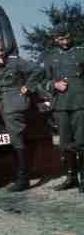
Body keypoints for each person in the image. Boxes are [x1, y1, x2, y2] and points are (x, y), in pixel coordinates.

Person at [0, 38, 44, 192]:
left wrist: (28, 87)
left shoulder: (15, 61)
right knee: (16, 141)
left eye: (1, 50)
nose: (0, 53)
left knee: (17, 140)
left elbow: (38, 70)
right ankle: (20, 177)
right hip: (3, 104)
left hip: (15, 103)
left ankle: (23, 180)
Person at [42, 27, 84, 192]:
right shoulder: (49, 56)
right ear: (55, 39)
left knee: (81, 142)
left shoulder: (81, 52)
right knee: (65, 144)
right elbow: (42, 81)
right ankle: (71, 177)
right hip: (60, 105)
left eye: (67, 38)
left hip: (80, 103)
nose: (65, 42)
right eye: (61, 39)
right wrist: (54, 84)